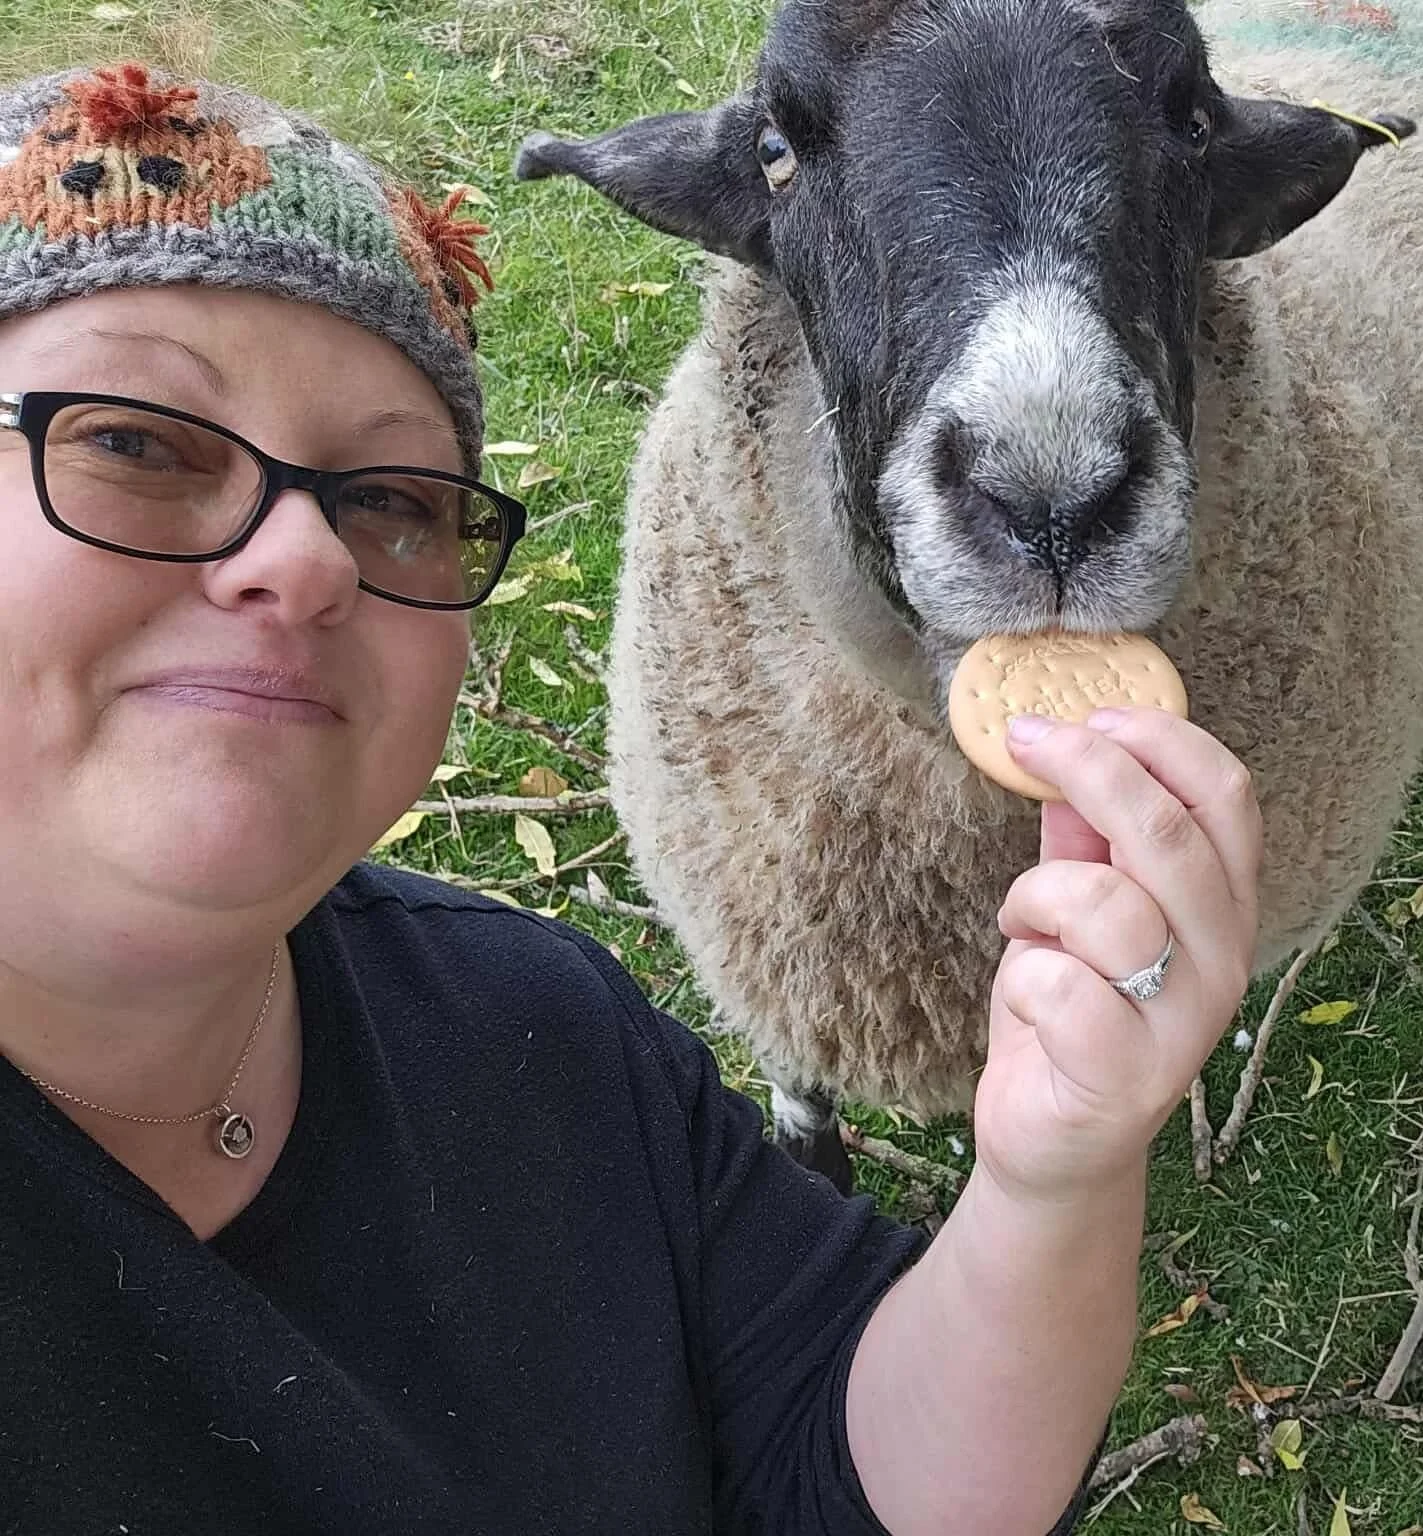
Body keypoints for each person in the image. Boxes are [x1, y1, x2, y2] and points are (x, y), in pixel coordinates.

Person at [0, 60, 1263, 1536]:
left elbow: (842, 1471)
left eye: (394, 499)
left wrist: (1059, 1179)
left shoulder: (537, 1036)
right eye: (134, 444)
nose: (308, 559)